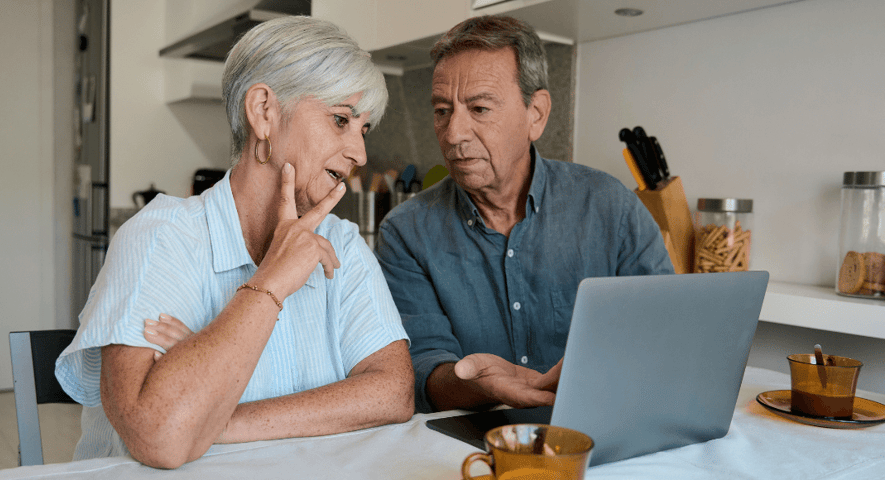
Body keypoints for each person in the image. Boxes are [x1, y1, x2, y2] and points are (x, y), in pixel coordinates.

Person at [56, 16, 413, 469]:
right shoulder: (161, 237)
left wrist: (212, 419)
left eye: (363, 130)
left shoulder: (342, 242)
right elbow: (160, 437)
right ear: (264, 110)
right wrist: (272, 282)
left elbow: (393, 392)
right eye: (340, 119)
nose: (360, 154)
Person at [373, 16, 674, 414]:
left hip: (602, 426)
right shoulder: (405, 232)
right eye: (442, 110)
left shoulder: (609, 205)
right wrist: (481, 386)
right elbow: (422, 370)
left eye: (479, 108)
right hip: (473, 440)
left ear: (537, 114)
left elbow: (666, 328)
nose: (453, 133)